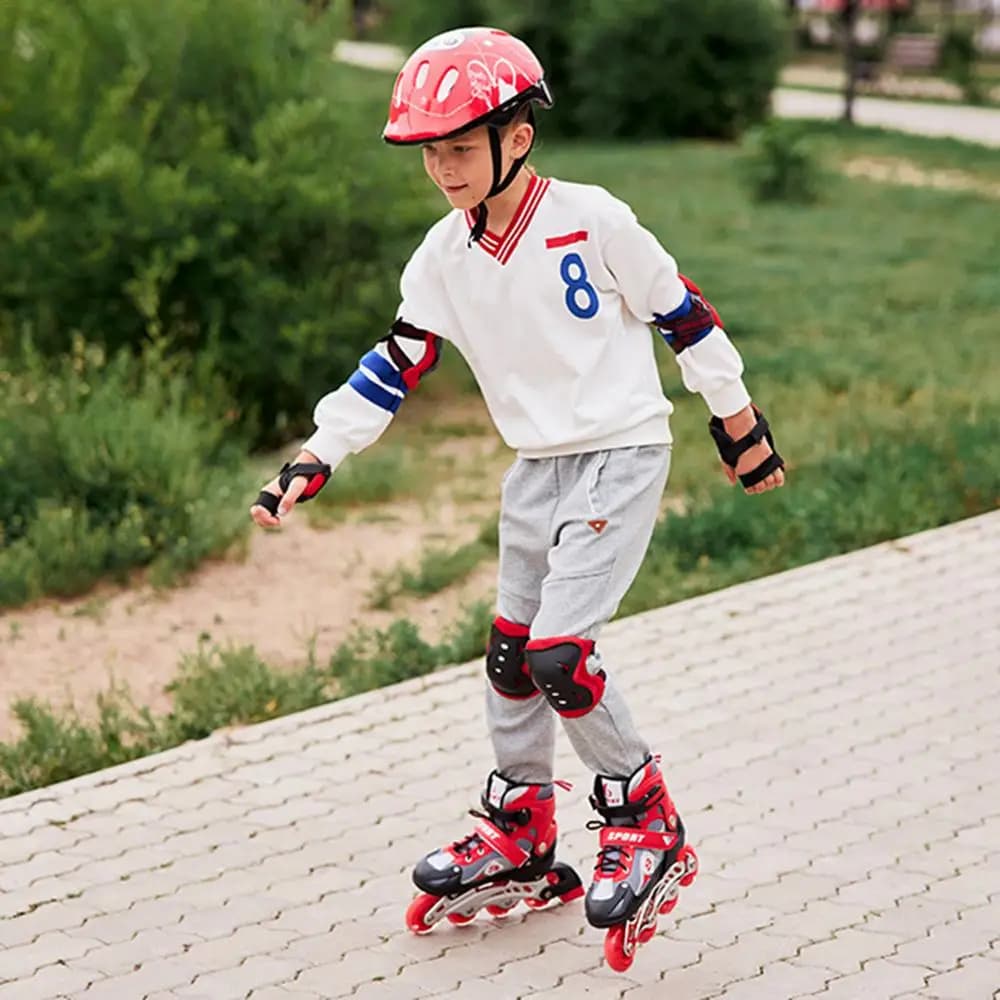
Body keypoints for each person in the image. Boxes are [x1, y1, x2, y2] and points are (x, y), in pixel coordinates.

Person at [250, 26, 785, 972]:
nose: (442, 167)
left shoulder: (591, 217)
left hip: (621, 452)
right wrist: (317, 453)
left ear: (517, 137)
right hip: (535, 469)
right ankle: (524, 831)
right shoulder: (441, 259)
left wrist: (737, 425)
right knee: (510, 659)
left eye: (460, 146)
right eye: (430, 151)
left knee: (560, 656)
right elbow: (394, 365)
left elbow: (685, 315)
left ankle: (643, 812)